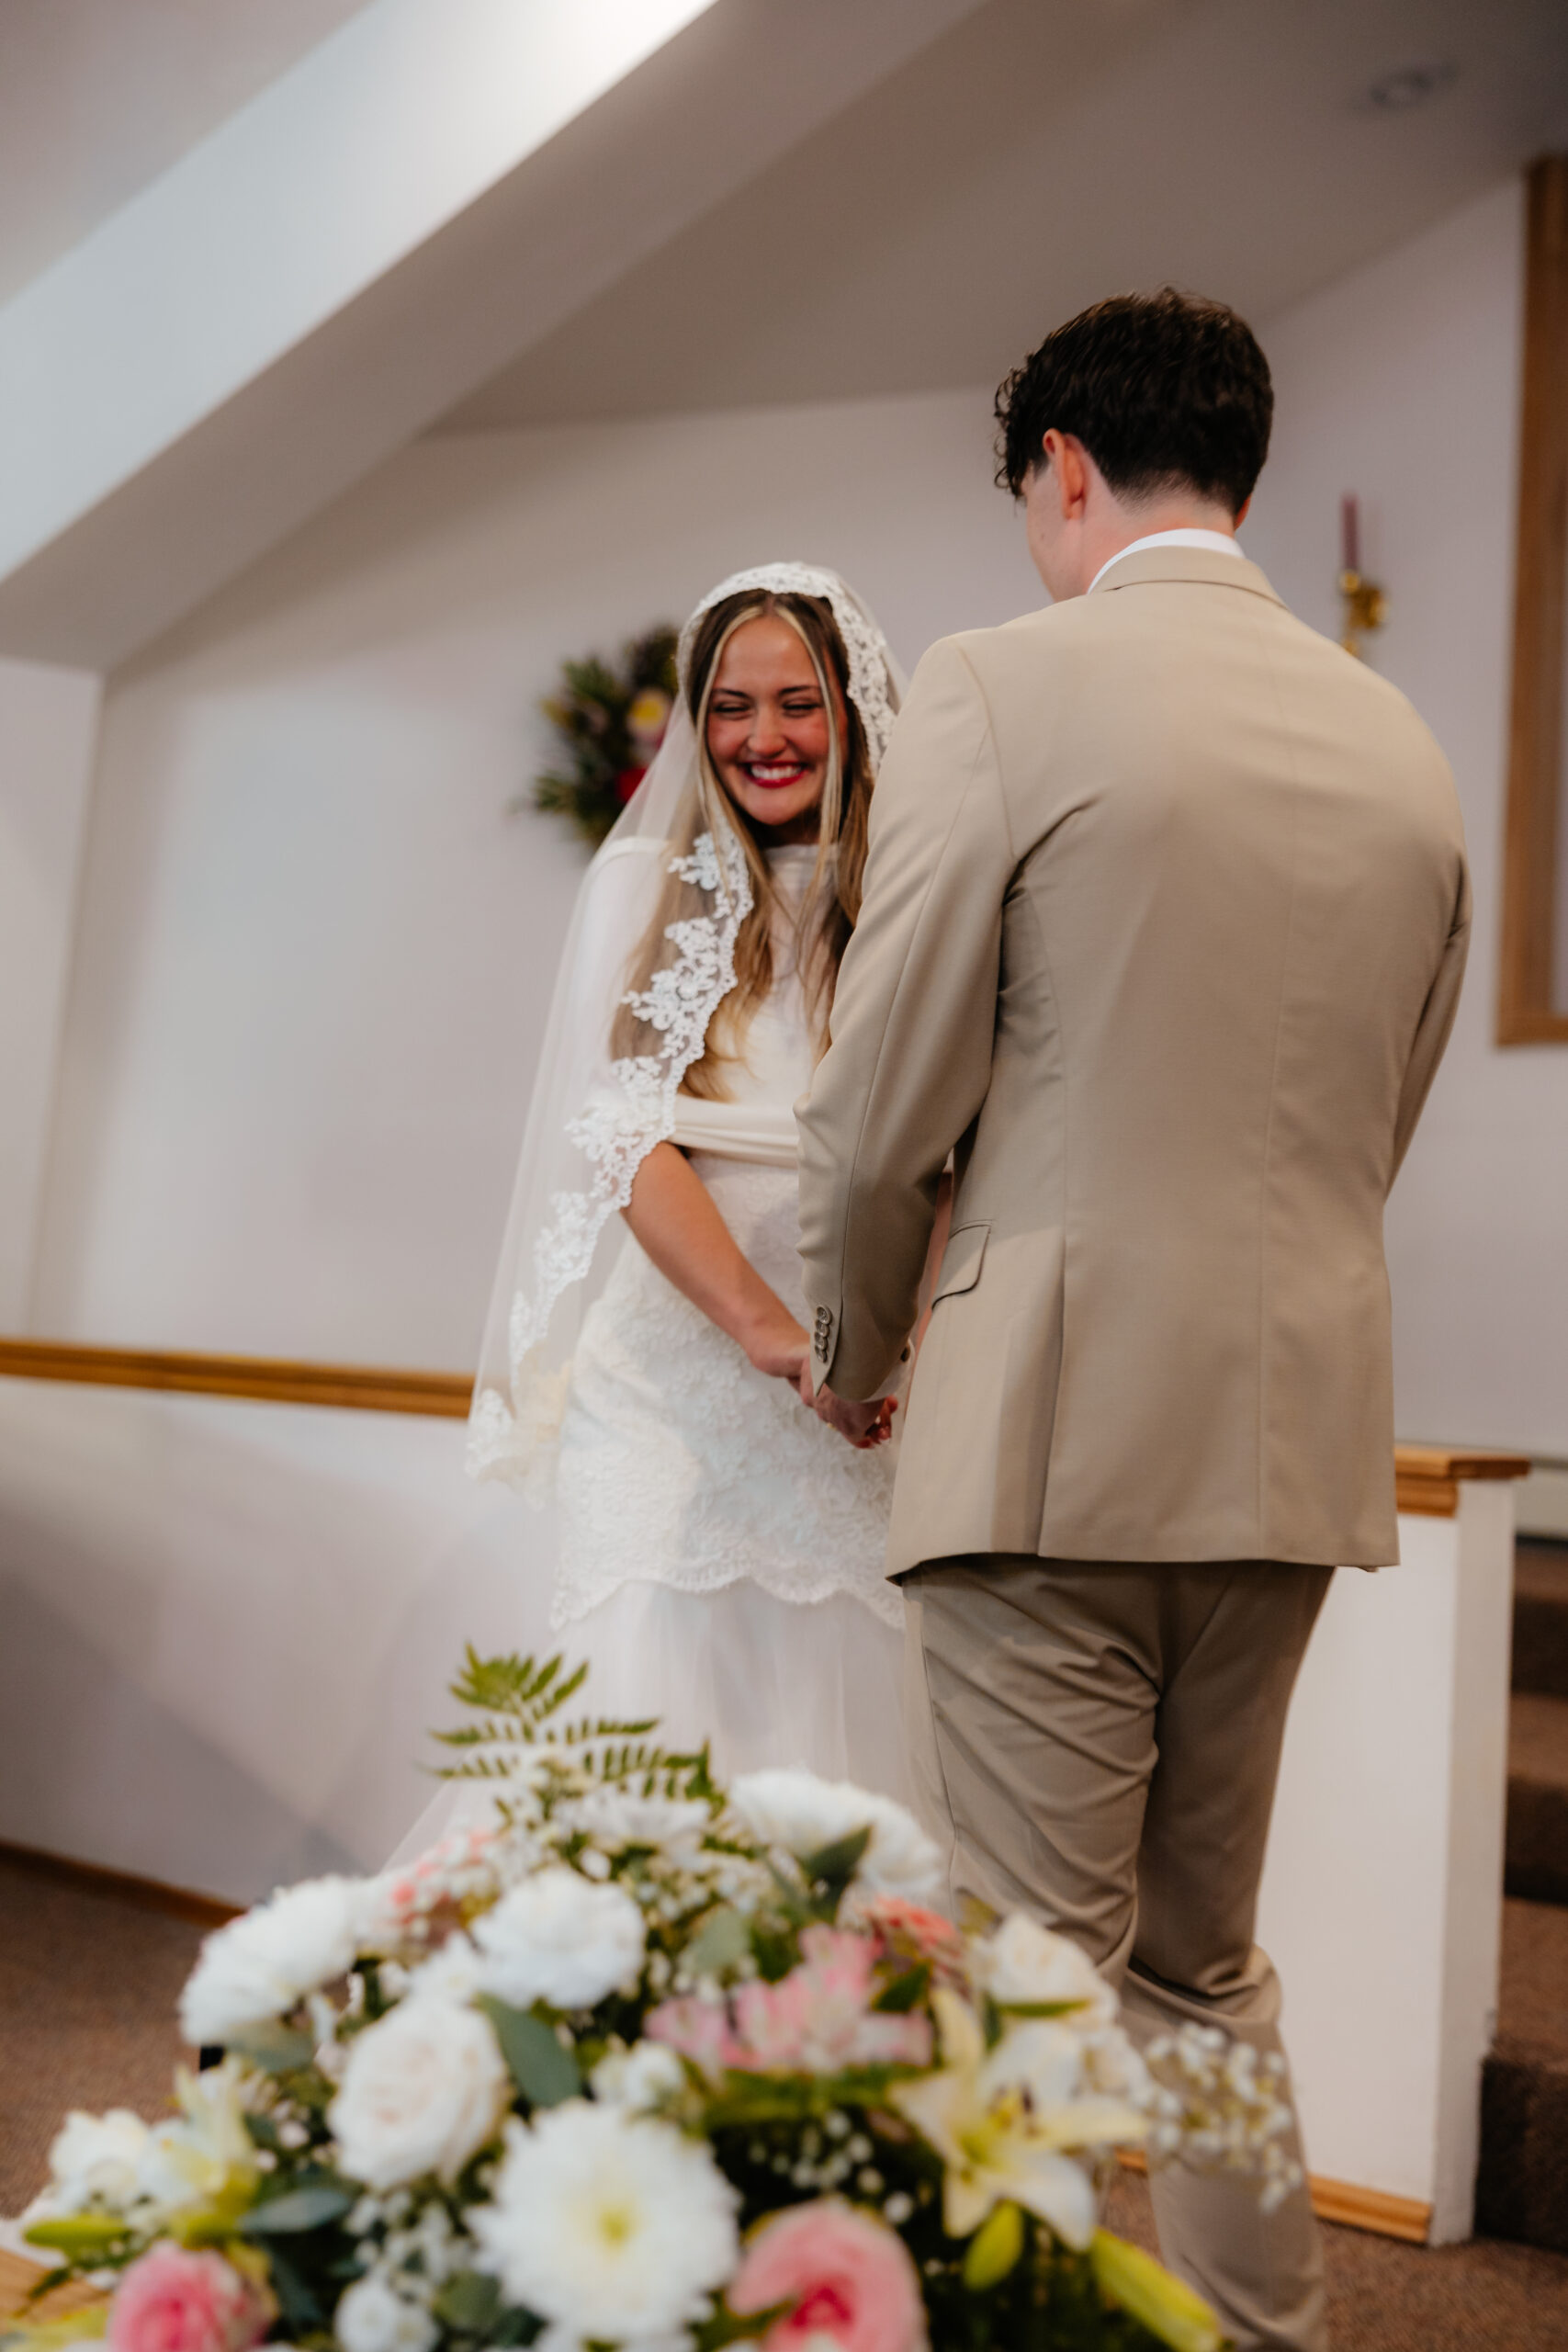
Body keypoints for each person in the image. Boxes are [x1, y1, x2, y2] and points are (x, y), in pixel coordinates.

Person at [795, 292, 1470, 2351]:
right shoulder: (1399, 741)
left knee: (1017, 1979)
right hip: (1284, 1439)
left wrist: (855, 1350)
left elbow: (874, 1108)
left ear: (1063, 471)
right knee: (1199, 1968)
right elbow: (1380, 1109)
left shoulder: (1006, 686)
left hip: (1042, 1432)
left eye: (1027, 497)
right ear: (1240, 475)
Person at [467, 563, 920, 1798]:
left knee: (839, 1739)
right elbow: (621, 1135)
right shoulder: (636, 892)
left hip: (870, 1376)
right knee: (648, 1720)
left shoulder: (916, 899)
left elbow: (951, 1144)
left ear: (855, 711)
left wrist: (878, 1338)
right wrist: (777, 1341)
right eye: (728, 705)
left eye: (797, 702)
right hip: (671, 1381)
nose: (761, 738)